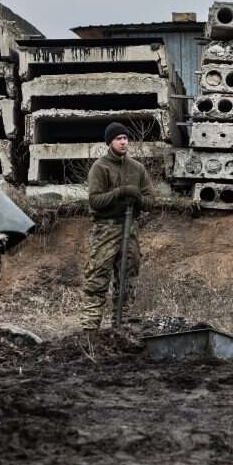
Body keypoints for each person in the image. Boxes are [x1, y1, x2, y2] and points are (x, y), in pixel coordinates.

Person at [81, 122, 153, 341]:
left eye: (125, 138)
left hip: (130, 229)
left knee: (127, 280)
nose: (123, 142)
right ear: (109, 142)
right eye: (118, 139)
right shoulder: (100, 167)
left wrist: (138, 198)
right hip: (106, 228)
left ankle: (121, 331)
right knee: (97, 279)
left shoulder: (137, 168)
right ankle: (90, 334)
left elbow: (150, 200)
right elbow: (95, 200)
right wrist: (120, 192)